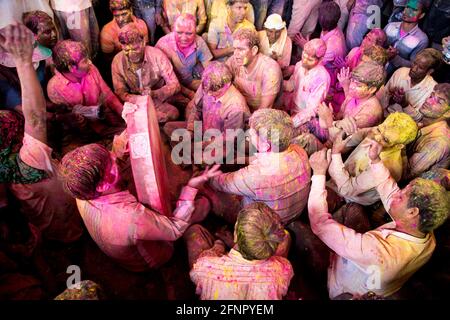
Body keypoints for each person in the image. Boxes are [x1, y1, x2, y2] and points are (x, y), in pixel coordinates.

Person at [303, 144, 448, 298]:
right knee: (353, 208)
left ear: (412, 212)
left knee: (299, 233)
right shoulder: (424, 232)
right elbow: (390, 191)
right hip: (373, 277)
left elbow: (319, 224)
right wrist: (375, 160)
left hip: (343, 289)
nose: (395, 195)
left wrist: (319, 174)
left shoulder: (378, 252)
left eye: (401, 197)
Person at [59, 142, 221, 272]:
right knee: (201, 206)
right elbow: (174, 229)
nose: (114, 157)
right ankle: (208, 201)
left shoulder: (81, 193)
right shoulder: (129, 217)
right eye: (111, 163)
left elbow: (110, 163)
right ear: (101, 186)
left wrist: (122, 143)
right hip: (151, 259)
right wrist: (191, 186)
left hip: (127, 247)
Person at [0, 23, 83, 244]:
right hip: (75, 228)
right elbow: (35, 117)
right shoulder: (28, 164)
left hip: (51, 235)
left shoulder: (8, 174)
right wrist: (23, 60)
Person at [207, 109, 311, 225]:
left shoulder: (255, 176)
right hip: (293, 214)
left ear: (266, 145)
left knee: (208, 188)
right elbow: (269, 161)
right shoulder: (299, 151)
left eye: (252, 133)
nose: (249, 134)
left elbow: (220, 183)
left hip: (267, 225)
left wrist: (206, 175)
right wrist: (243, 160)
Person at [187, 202, 293, 300]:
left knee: (194, 230)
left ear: (235, 234)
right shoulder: (282, 269)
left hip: (214, 265)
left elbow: (198, 270)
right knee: (286, 236)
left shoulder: (205, 268)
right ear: (272, 245)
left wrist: (219, 244)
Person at [163, 61, 251, 163]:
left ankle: (195, 162)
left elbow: (229, 138)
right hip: (204, 130)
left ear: (227, 85)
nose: (208, 94)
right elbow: (197, 109)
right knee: (169, 128)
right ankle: (193, 160)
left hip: (222, 142)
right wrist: (190, 130)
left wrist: (202, 144)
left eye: (214, 91)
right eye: (206, 90)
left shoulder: (236, 106)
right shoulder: (207, 86)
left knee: (205, 157)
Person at [328, 112, 418, 206]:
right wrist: (341, 125)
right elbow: (345, 139)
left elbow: (346, 190)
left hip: (349, 200)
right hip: (337, 177)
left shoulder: (388, 167)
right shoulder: (376, 132)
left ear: (399, 146)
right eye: (379, 130)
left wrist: (335, 153)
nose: (377, 138)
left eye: (386, 140)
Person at [47, 40, 125, 138]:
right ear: (71, 68)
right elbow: (66, 123)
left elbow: (107, 94)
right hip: (83, 134)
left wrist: (123, 113)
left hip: (105, 116)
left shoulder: (91, 69)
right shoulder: (54, 88)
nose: (90, 62)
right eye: (84, 61)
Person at [112, 24, 180, 123]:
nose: (131, 54)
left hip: (157, 99)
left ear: (143, 42)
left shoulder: (157, 55)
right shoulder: (117, 61)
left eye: (135, 49)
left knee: (173, 113)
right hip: (134, 104)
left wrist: (155, 93)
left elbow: (175, 84)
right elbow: (120, 92)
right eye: (126, 50)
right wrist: (136, 99)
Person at [317, 62, 385, 139]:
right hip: (332, 130)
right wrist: (330, 114)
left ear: (371, 89)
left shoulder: (370, 114)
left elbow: (339, 140)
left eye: (358, 85)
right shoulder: (355, 94)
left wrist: (328, 118)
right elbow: (340, 116)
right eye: (352, 80)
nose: (351, 86)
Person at [156, 14, 213, 102]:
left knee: (212, 91)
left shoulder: (199, 41)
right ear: (173, 30)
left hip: (189, 80)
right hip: (168, 85)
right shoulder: (163, 44)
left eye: (189, 33)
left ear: (196, 31)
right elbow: (166, 80)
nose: (184, 38)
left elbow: (209, 69)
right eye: (179, 33)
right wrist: (190, 93)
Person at [377, 48, 442, 121]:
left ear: (429, 71)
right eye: (414, 63)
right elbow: (381, 100)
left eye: (420, 67)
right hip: (383, 114)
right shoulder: (400, 72)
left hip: (402, 125)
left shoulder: (432, 90)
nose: (414, 69)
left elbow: (419, 119)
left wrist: (405, 104)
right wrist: (389, 96)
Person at [226, 28, 282, 111]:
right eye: (234, 49)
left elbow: (265, 109)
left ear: (254, 50)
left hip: (263, 116)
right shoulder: (234, 60)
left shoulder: (270, 70)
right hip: (241, 109)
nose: (235, 54)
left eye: (241, 49)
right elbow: (220, 78)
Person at [405, 83, 450, 180]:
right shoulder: (425, 120)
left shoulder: (438, 142)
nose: (429, 101)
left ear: (448, 112)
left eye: (439, 102)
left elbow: (407, 174)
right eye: (431, 95)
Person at [283, 38, 330, 129]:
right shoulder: (299, 65)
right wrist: (279, 82)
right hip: (292, 107)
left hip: (304, 119)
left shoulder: (322, 78)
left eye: (310, 60)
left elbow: (311, 110)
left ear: (320, 60)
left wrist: (292, 123)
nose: (304, 61)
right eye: (303, 56)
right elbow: (291, 85)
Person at [384, 0, 429, 74]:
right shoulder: (390, 26)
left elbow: (413, 65)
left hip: (393, 77)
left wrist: (395, 57)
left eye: (414, 10)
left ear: (421, 15)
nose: (408, 12)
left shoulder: (421, 39)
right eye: (407, 7)